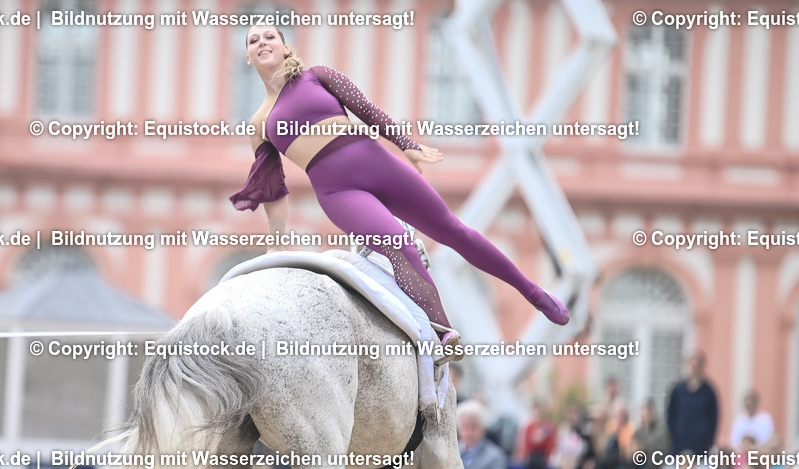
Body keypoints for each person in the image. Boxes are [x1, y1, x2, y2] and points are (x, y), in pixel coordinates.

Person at [230, 26, 569, 364]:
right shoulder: (261, 123)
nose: (262, 42)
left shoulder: (316, 76)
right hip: (339, 192)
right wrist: (276, 244)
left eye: (269, 36)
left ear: (285, 47)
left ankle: (533, 293)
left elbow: (367, 110)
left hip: (379, 164)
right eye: (253, 40)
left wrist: (409, 147)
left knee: (454, 231)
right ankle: (442, 332)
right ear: (248, 56)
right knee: (398, 244)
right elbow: (273, 190)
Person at [666, 350, 719, 454]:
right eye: (692, 365)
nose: (694, 368)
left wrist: (708, 442)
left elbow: (713, 419)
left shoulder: (709, 392)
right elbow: (670, 415)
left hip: (701, 447)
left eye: (698, 365)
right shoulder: (678, 390)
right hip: (679, 444)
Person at [456, 400, 509, 469]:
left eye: (474, 426)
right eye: (465, 426)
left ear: (483, 428)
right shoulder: (448, 453)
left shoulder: (495, 456)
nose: (469, 432)